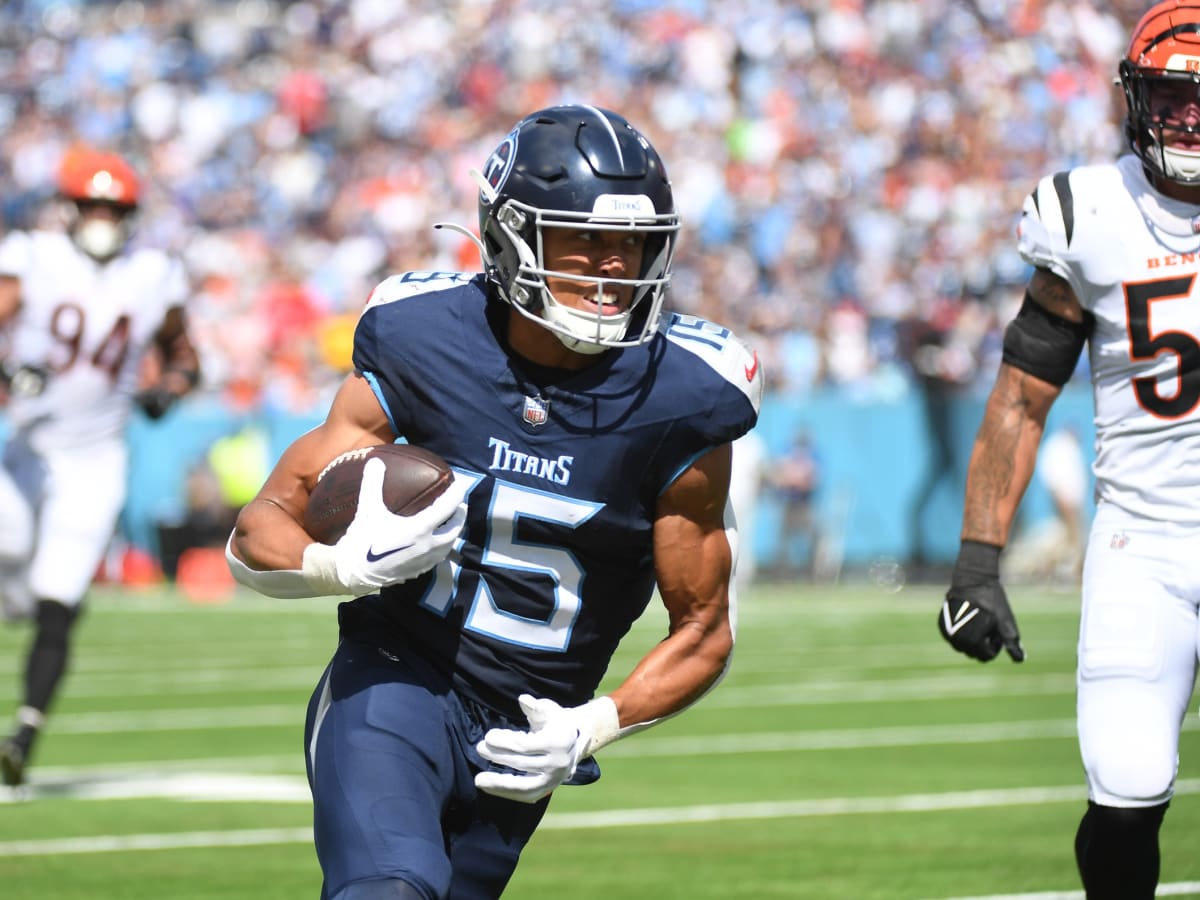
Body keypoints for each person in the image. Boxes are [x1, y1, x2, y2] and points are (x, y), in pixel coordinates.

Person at [226, 104, 763, 900]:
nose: (615, 268)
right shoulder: (422, 338)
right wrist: (334, 564)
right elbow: (258, 526)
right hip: (396, 680)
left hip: (528, 735)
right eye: (586, 240)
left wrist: (595, 722)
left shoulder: (683, 396)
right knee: (387, 888)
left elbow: (705, 630)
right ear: (511, 234)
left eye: (633, 245)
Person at [937, 4, 1200, 897]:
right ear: (1135, 101)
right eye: (1174, 100)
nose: (1191, 121)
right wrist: (978, 563)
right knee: (1126, 790)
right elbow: (1019, 399)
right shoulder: (1090, 214)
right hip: (1147, 546)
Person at [0, 146, 200, 788]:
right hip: (29, 449)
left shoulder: (152, 273)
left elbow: (184, 352)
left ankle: (23, 736)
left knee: (59, 597)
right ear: (70, 208)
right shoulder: (35, 256)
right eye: (93, 206)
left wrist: (168, 386)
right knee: (9, 560)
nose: (103, 218)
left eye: (114, 208)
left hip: (97, 457)